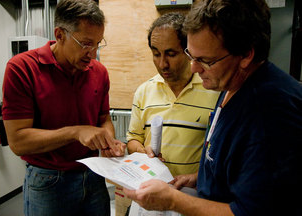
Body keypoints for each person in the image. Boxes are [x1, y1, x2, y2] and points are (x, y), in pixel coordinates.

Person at [123, 0, 302, 215]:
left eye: (205, 60)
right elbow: (236, 164)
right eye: (191, 55)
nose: (194, 68)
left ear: (246, 54)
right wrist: (202, 178)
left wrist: (173, 201)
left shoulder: (269, 114)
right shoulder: (229, 83)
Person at [2, 0, 125, 215]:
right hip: (48, 181)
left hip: (93, 174)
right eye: (86, 44)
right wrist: (75, 132)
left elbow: (103, 118)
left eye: (98, 43)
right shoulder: (22, 68)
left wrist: (107, 142)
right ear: (59, 35)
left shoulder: (99, 72)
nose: (93, 52)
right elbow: (18, 142)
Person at [127, 12, 219, 176]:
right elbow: (133, 140)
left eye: (171, 54)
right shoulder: (144, 92)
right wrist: (142, 152)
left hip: (192, 193)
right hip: (152, 186)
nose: (162, 64)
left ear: (188, 51)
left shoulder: (213, 90)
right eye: (156, 54)